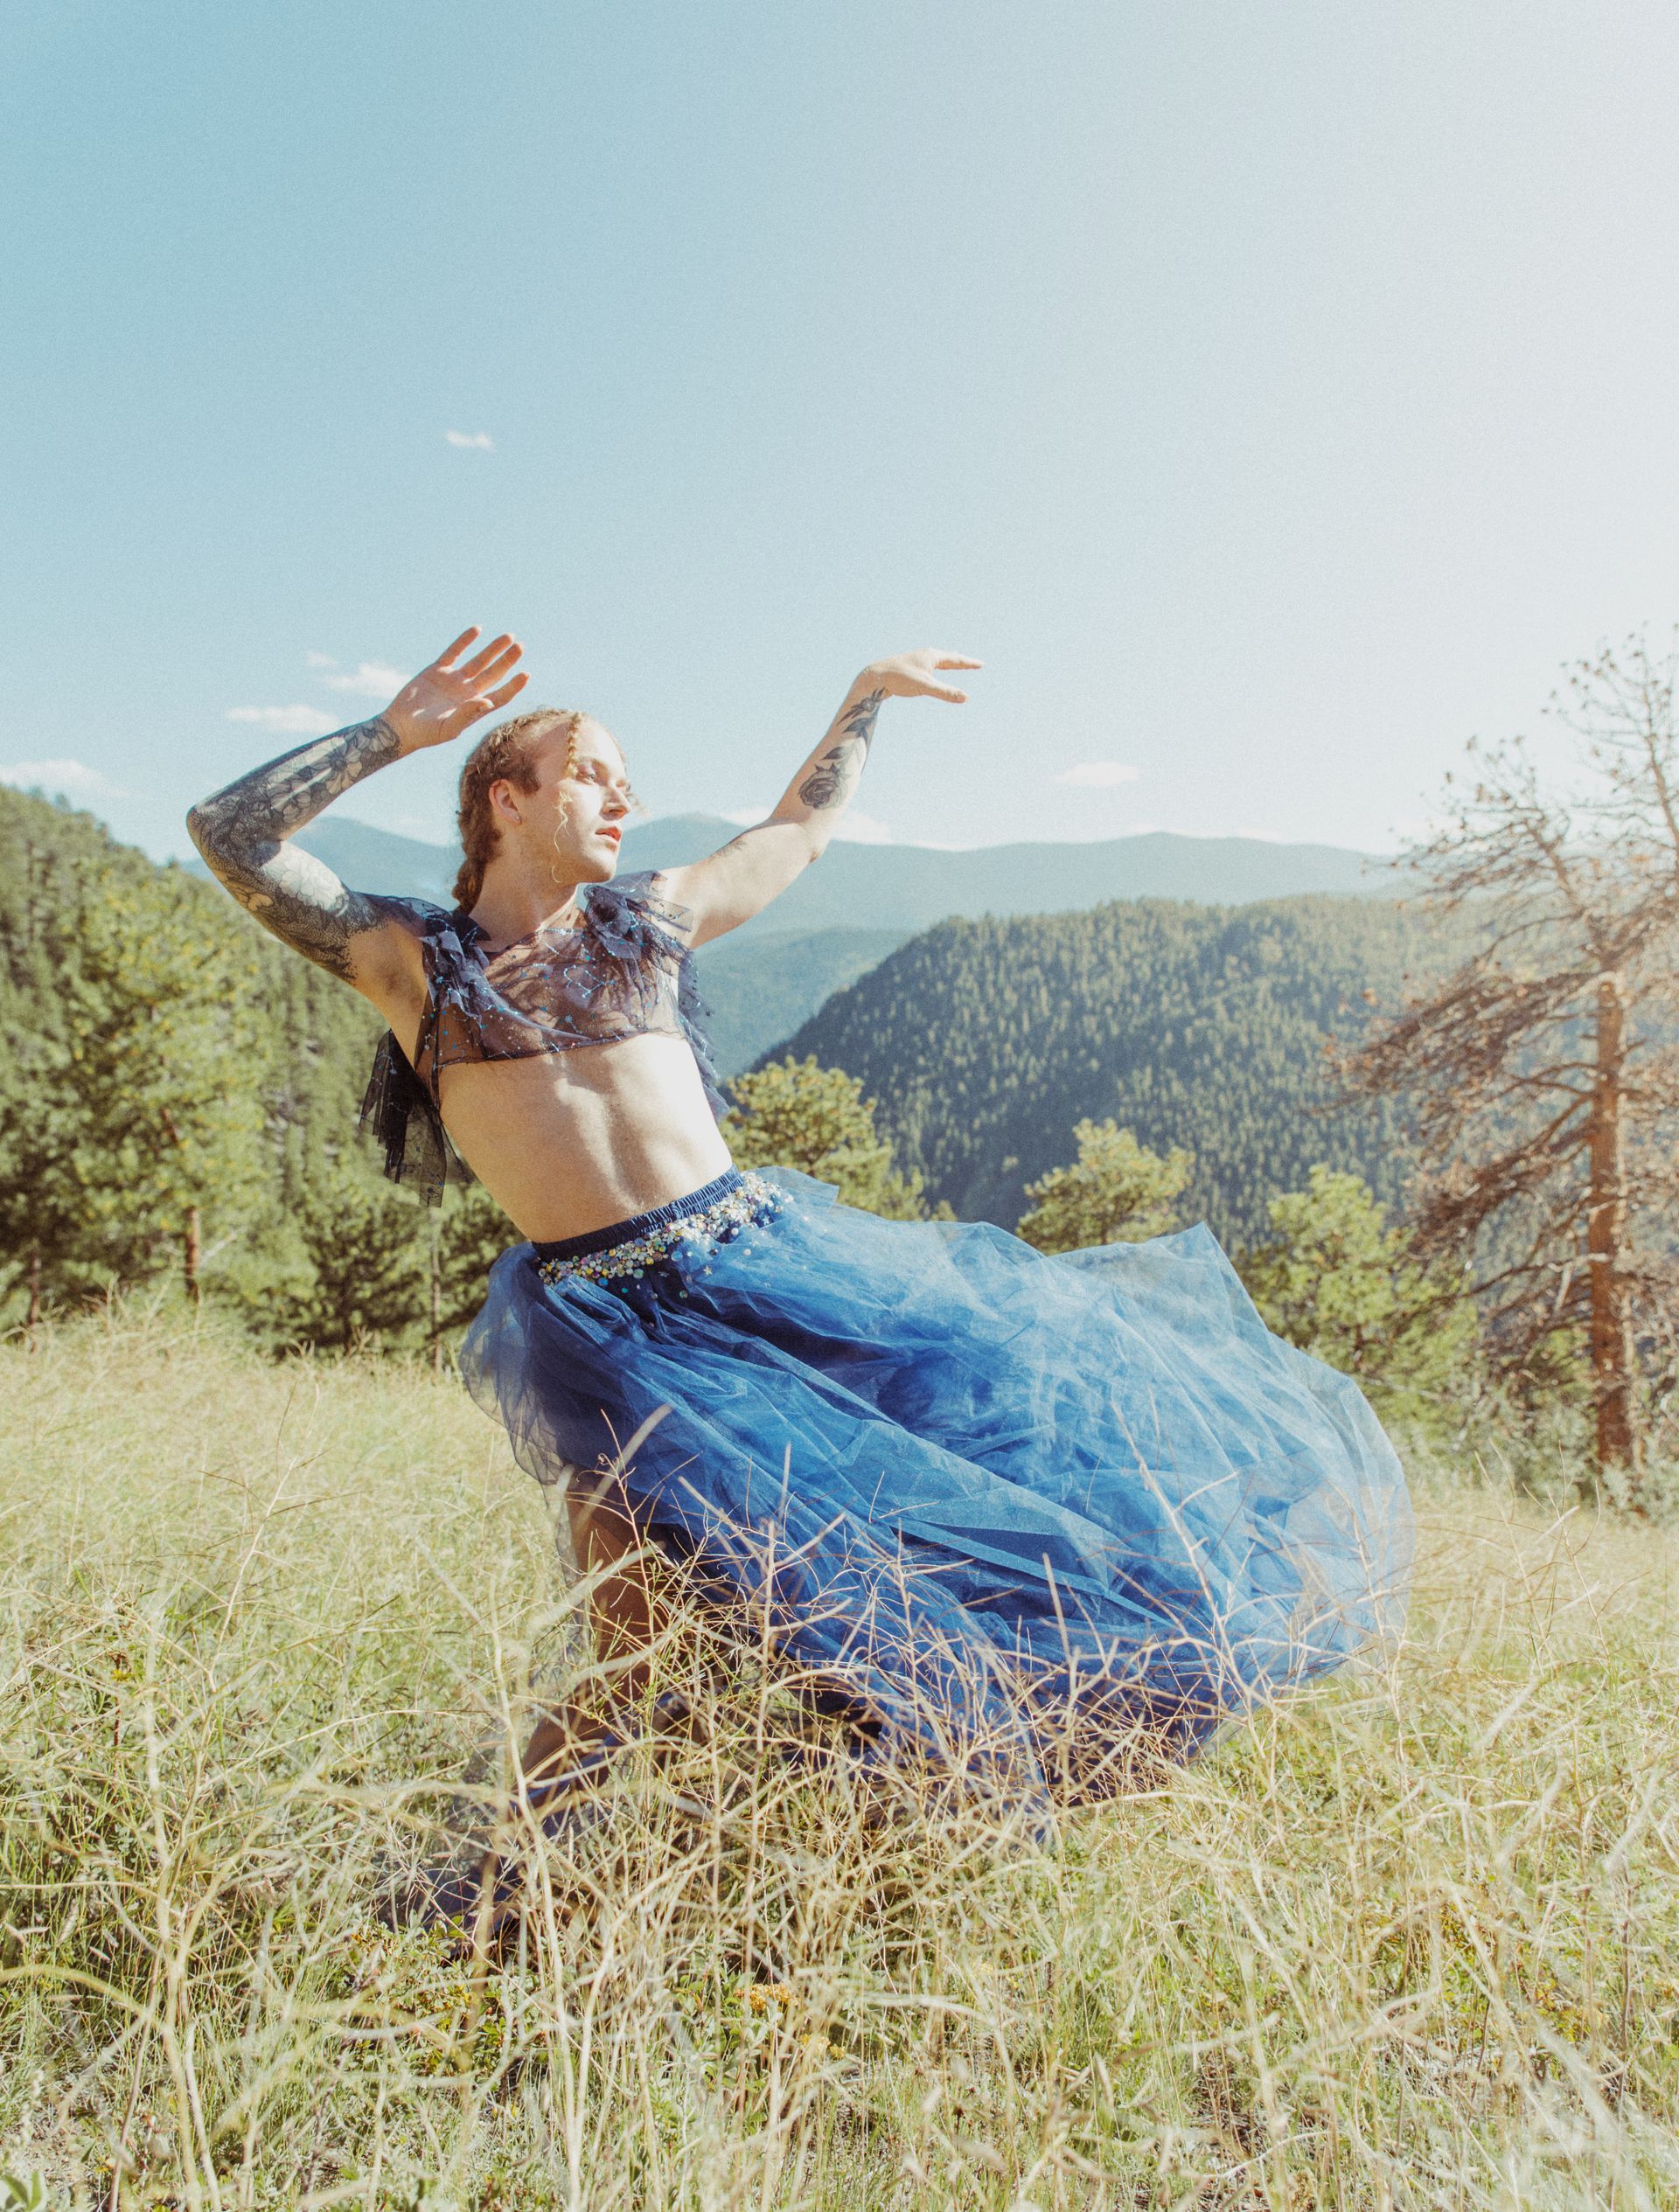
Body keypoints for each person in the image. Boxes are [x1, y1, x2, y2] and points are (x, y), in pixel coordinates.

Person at [188, 625, 1412, 1919]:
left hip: (771, 1275)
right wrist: (392, 733)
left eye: (624, 777)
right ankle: (486, 1897)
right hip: (606, 1334)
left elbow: (798, 830)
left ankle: (914, 1839)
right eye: (594, 771)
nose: (624, 795)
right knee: (640, 1653)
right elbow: (230, 833)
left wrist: (863, 699)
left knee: (940, 1539)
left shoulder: (648, 923)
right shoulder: (415, 962)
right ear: (509, 794)